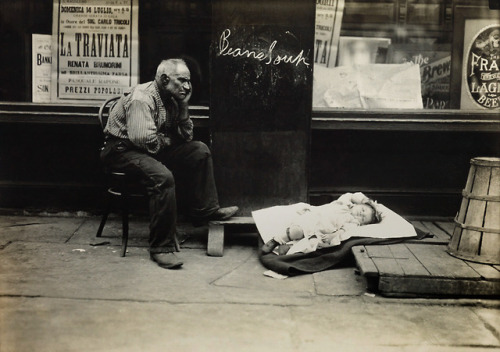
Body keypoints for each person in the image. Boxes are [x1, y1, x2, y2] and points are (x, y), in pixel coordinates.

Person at [100, 58, 238, 269]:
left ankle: (206, 210)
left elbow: (186, 136)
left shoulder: (172, 99)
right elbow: (144, 141)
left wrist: (183, 107)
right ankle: (161, 248)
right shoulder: (142, 98)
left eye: (189, 81)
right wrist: (168, 140)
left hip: (149, 149)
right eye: (182, 80)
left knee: (199, 151)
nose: (188, 86)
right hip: (121, 151)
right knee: (162, 178)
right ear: (165, 79)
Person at [261, 192, 381, 255]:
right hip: (313, 218)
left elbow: (343, 231)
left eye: (364, 218)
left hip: (321, 232)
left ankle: (290, 248)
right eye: (363, 210)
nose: (361, 214)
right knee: (296, 231)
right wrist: (367, 200)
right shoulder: (344, 203)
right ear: (359, 204)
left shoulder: (353, 223)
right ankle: (276, 240)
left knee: (313, 245)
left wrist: (332, 236)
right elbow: (351, 195)